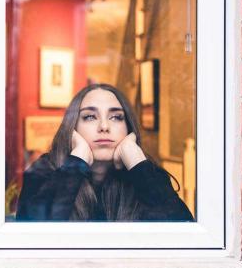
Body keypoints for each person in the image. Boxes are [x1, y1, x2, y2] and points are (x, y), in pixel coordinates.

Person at [16, 84, 194, 222]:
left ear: (128, 128)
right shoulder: (45, 171)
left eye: (116, 117)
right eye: (90, 117)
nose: (104, 126)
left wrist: (138, 165)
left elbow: (185, 237)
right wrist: (76, 162)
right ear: (73, 128)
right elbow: (33, 239)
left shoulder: (148, 175)